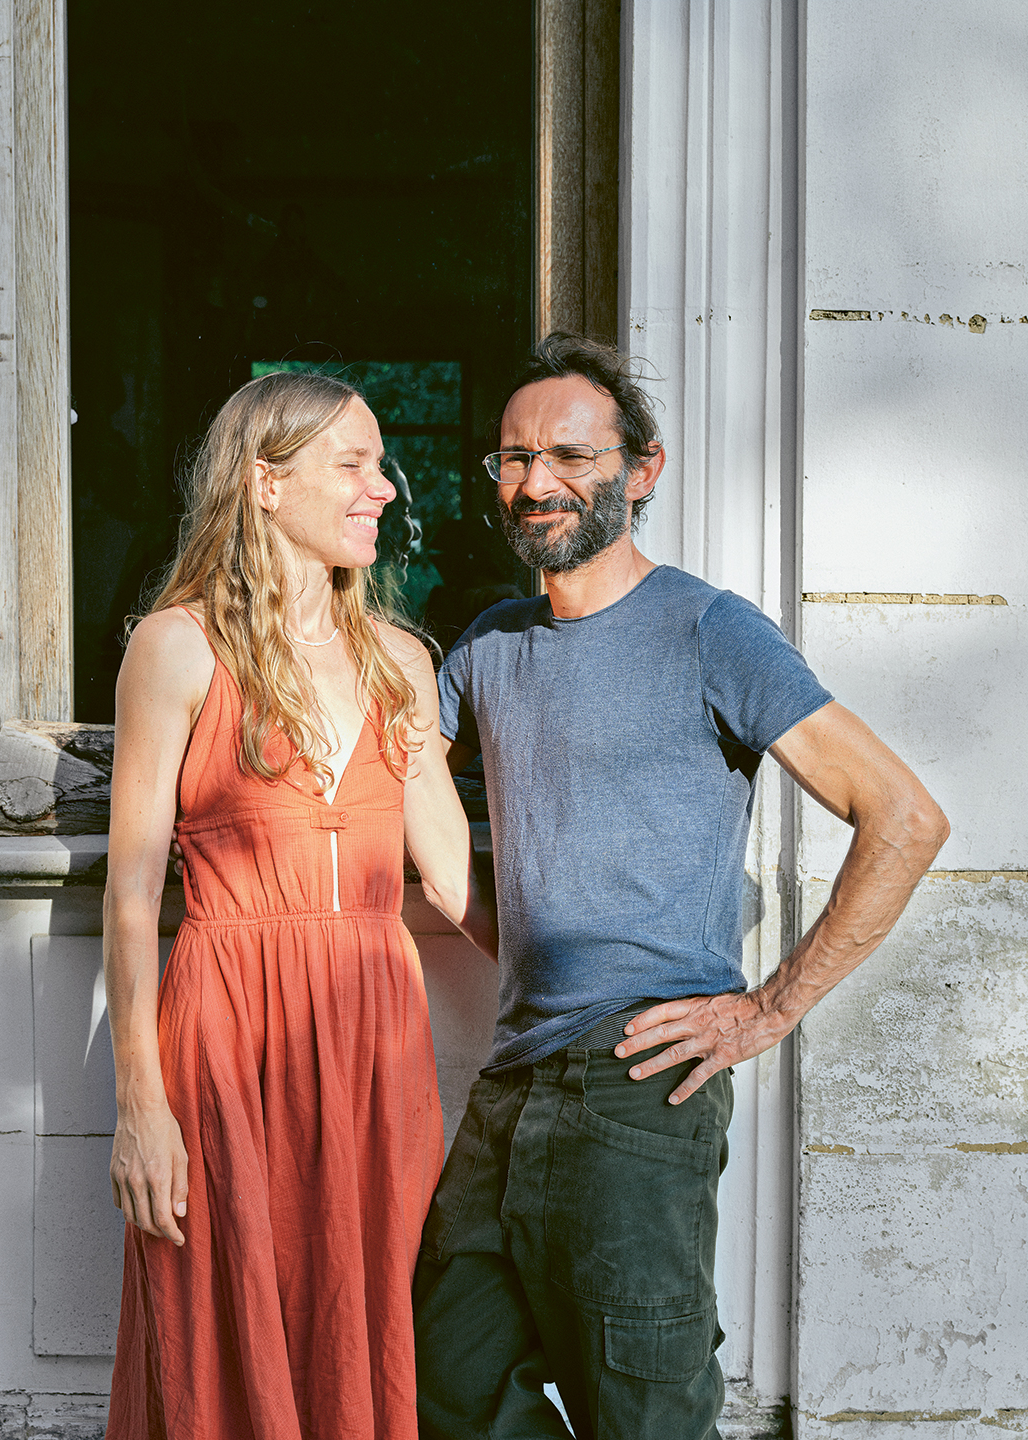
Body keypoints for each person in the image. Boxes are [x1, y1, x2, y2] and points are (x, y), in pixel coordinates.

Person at [412, 332, 949, 1440]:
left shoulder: (710, 630)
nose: (537, 480)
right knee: (445, 1378)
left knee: (644, 1408)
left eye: (571, 453)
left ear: (640, 470)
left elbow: (903, 816)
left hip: (639, 1081)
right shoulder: (487, 647)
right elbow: (384, 797)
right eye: (514, 458)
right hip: (513, 1081)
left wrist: (768, 1009)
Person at [102, 369, 495, 1440]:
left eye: (382, 464)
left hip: (375, 1036)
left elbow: (453, 883)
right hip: (228, 1027)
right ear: (266, 484)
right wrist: (141, 1108)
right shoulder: (176, 647)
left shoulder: (402, 661)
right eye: (353, 464)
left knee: (362, 1314)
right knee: (219, 1316)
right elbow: (134, 893)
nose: (386, 488)